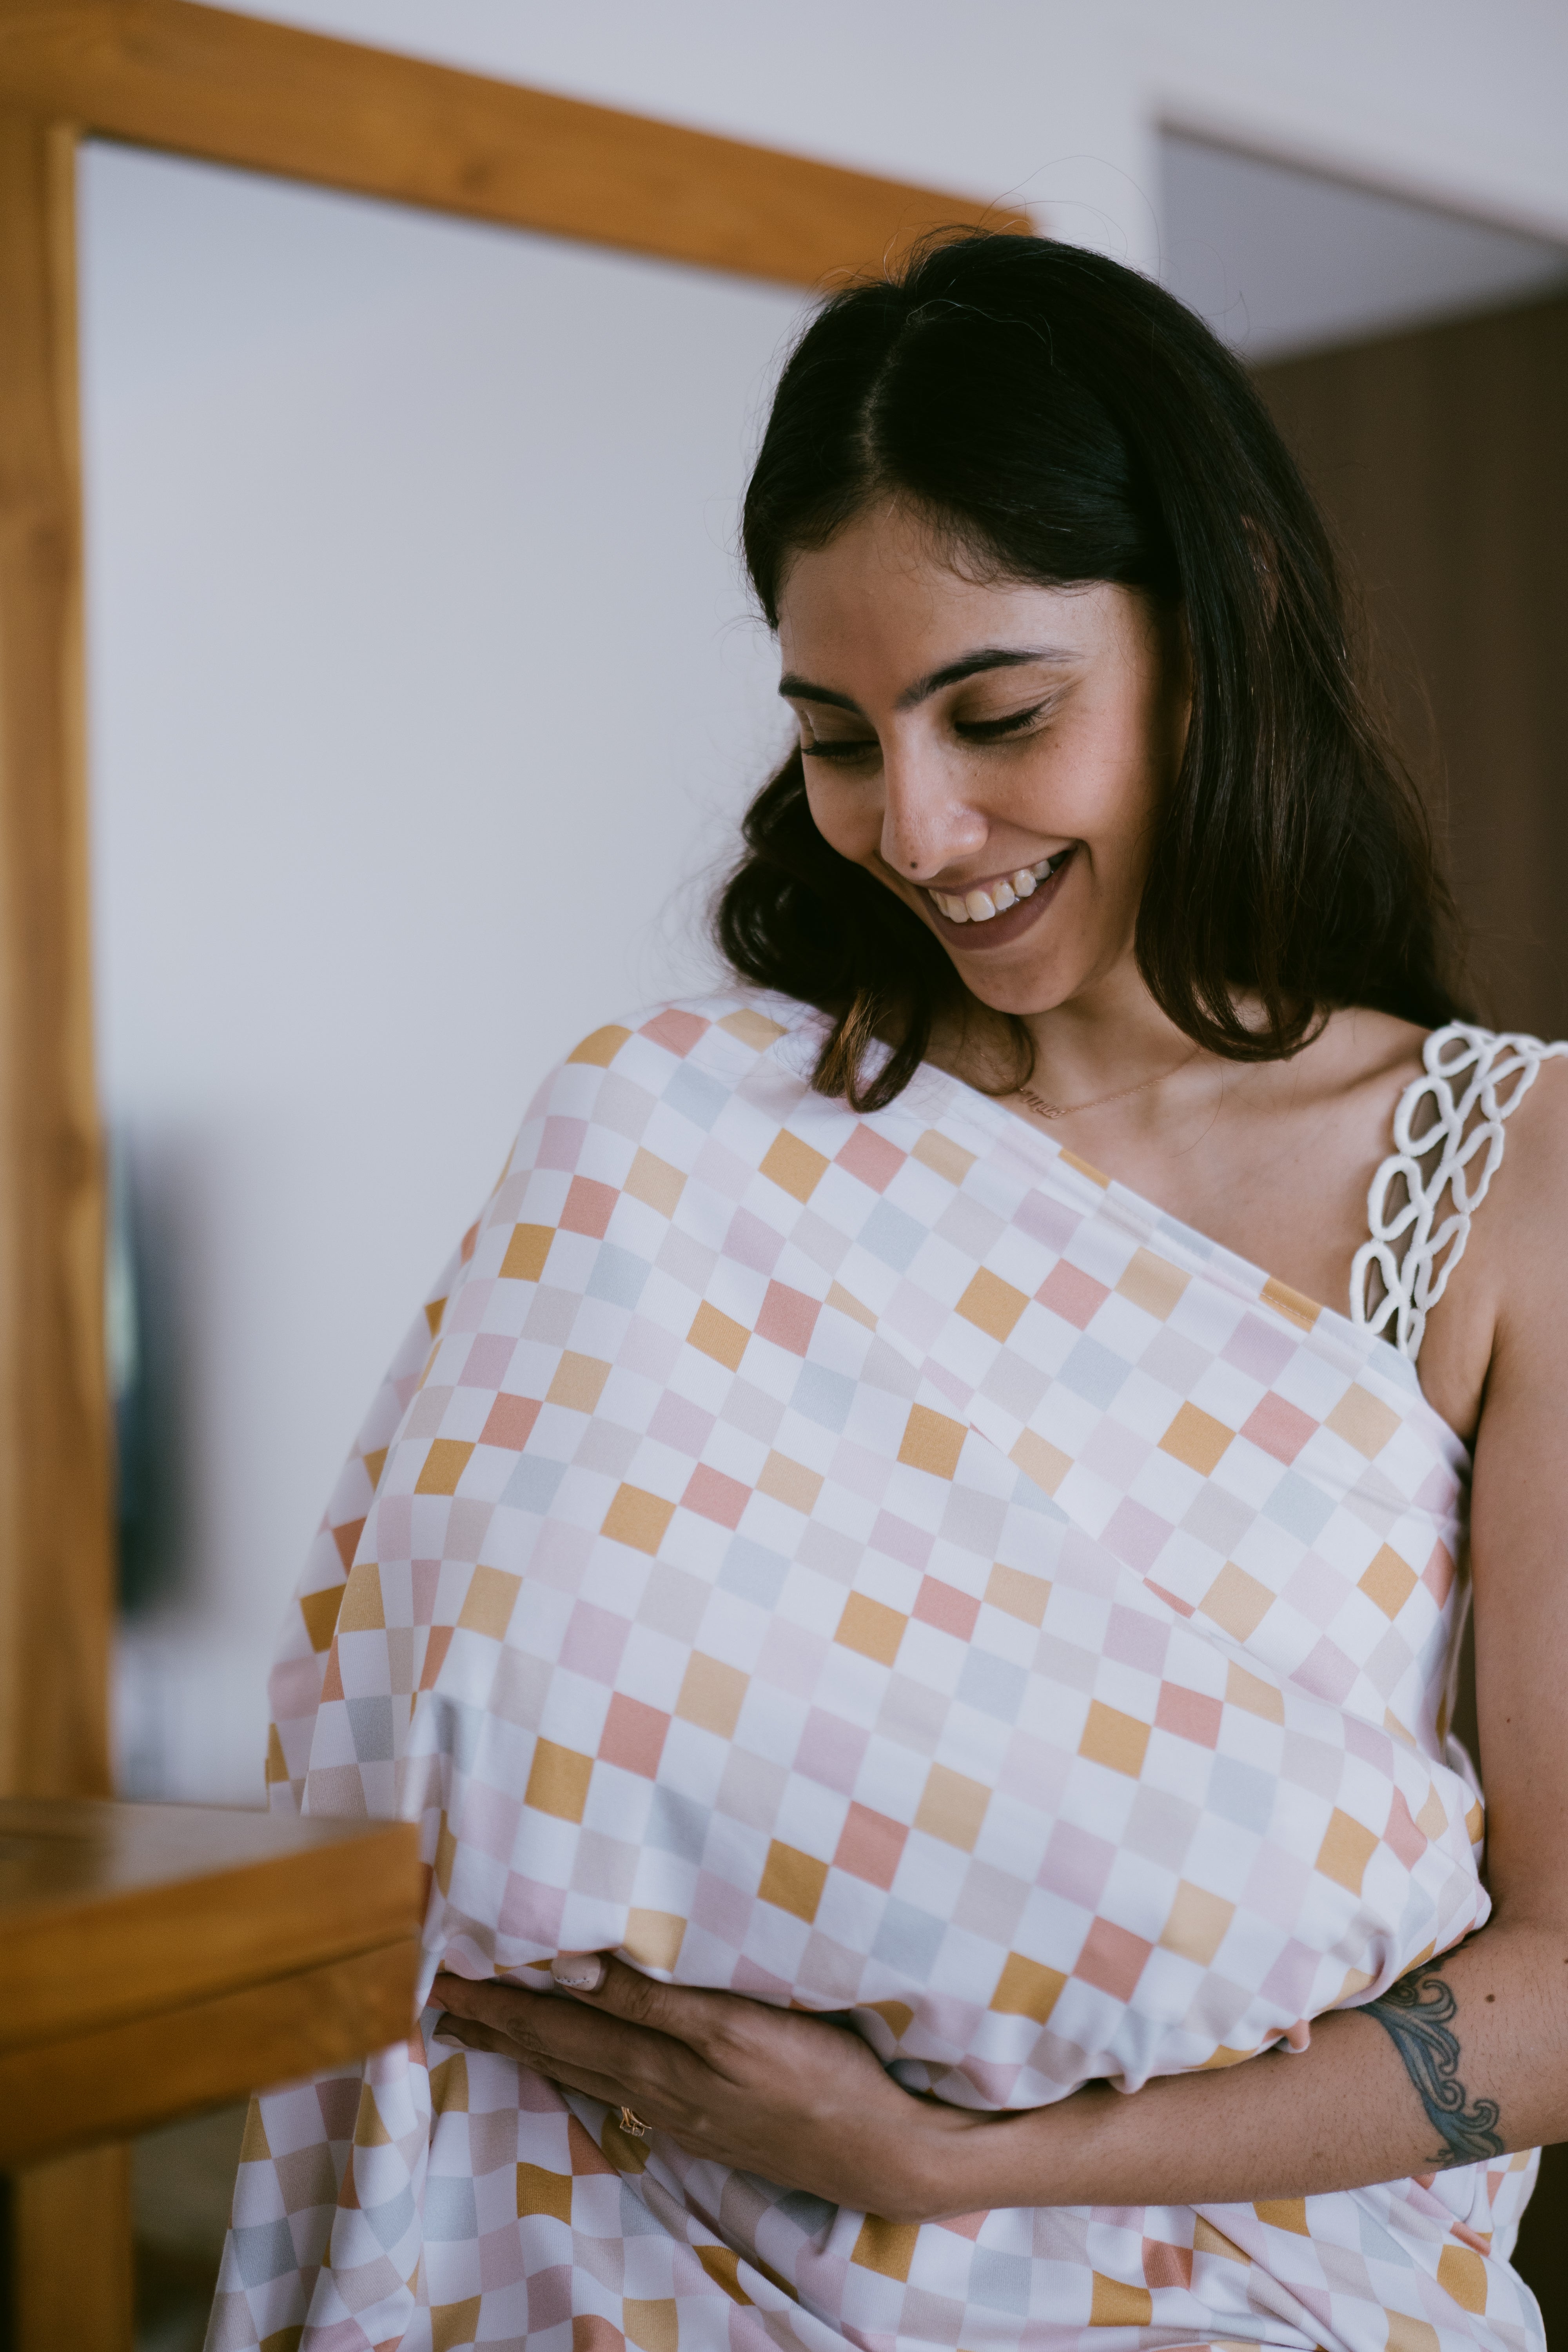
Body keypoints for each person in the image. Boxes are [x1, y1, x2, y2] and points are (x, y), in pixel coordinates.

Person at [210, 235, 1568, 2352]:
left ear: (1222, 637)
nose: (918, 830)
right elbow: (400, 1742)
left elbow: (1564, 1983)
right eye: (837, 734)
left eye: (998, 714)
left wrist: (954, 2162)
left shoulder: (1510, 1178)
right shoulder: (672, 1135)